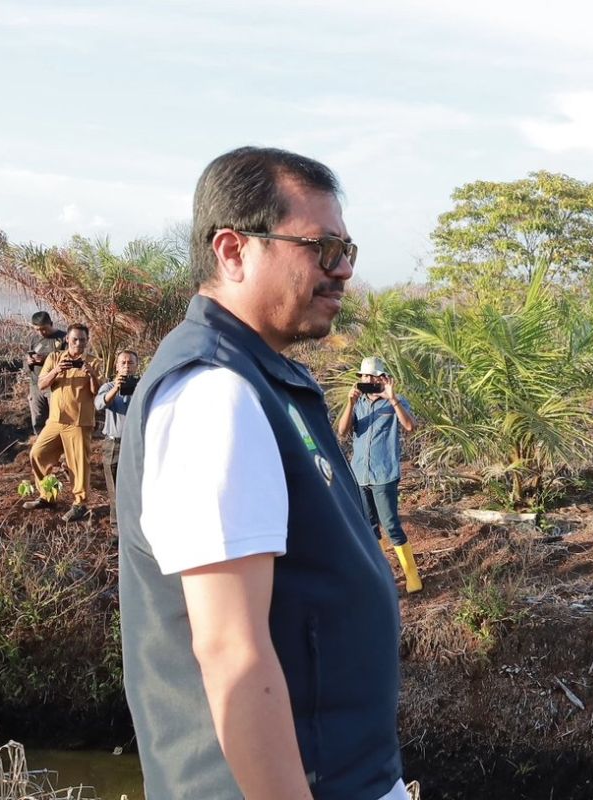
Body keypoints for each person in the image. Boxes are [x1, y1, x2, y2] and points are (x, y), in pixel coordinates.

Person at [116, 146, 408, 800]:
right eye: (322, 248)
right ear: (233, 251)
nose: (343, 272)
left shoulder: (262, 379)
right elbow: (231, 655)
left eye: (349, 250)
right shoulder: (213, 396)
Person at [337, 356, 421, 593]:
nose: (368, 380)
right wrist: (350, 403)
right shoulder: (359, 403)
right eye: (364, 376)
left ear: (383, 378)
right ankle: (381, 575)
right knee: (369, 526)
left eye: (373, 376)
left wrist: (393, 399)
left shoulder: (395, 402)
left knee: (391, 525)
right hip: (360, 474)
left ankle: (412, 574)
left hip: (384, 474)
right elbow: (343, 432)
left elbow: (410, 427)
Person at [23, 323, 99, 522]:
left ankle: (80, 504)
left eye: (82, 340)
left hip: (79, 422)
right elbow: (41, 384)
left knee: (78, 465)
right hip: (55, 420)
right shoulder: (55, 358)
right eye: (75, 339)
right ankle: (48, 496)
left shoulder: (94, 362)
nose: (78, 343)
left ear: (87, 341)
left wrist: (91, 373)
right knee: (38, 454)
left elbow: (97, 392)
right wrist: (56, 370)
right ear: (67, 339)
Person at [94, 349, 139, 526]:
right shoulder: (108, 387)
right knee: (114, 488)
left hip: (136, 443)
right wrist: (117, 389)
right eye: (123, 363)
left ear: (136, 366)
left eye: (131, 363)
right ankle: (116, 528)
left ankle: (135, 527)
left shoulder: (143, 386)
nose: (127, 367)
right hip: (114, 444)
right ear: (117, 366)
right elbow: (99, 404)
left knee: (136, 486)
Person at [24, 311, 66, 436]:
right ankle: (39, 443)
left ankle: (57, 446)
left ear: (51, 324)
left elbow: (69, 360)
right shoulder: (34, 339)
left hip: (55, 385)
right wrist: (29, 361)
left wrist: (46, 360)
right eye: (37, 330)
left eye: (44, 329)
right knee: (38, 418)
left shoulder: (64, 338)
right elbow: (27, 357)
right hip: (35, 384)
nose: (41, 332)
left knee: (55, 418)